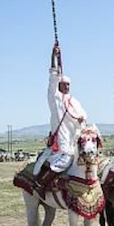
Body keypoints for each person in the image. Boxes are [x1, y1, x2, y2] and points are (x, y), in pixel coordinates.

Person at [33, 43, 88, 189]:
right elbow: (52, 78)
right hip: (62, 141)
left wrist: (82, 119)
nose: (67, 87)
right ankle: (41, 183)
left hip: (74, 139)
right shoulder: (55, 98)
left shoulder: (74, 101)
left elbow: (83, 116)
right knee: (66, 160)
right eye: (64, 84)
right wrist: (54, 56)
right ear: (59, 85)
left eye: (68, 85)